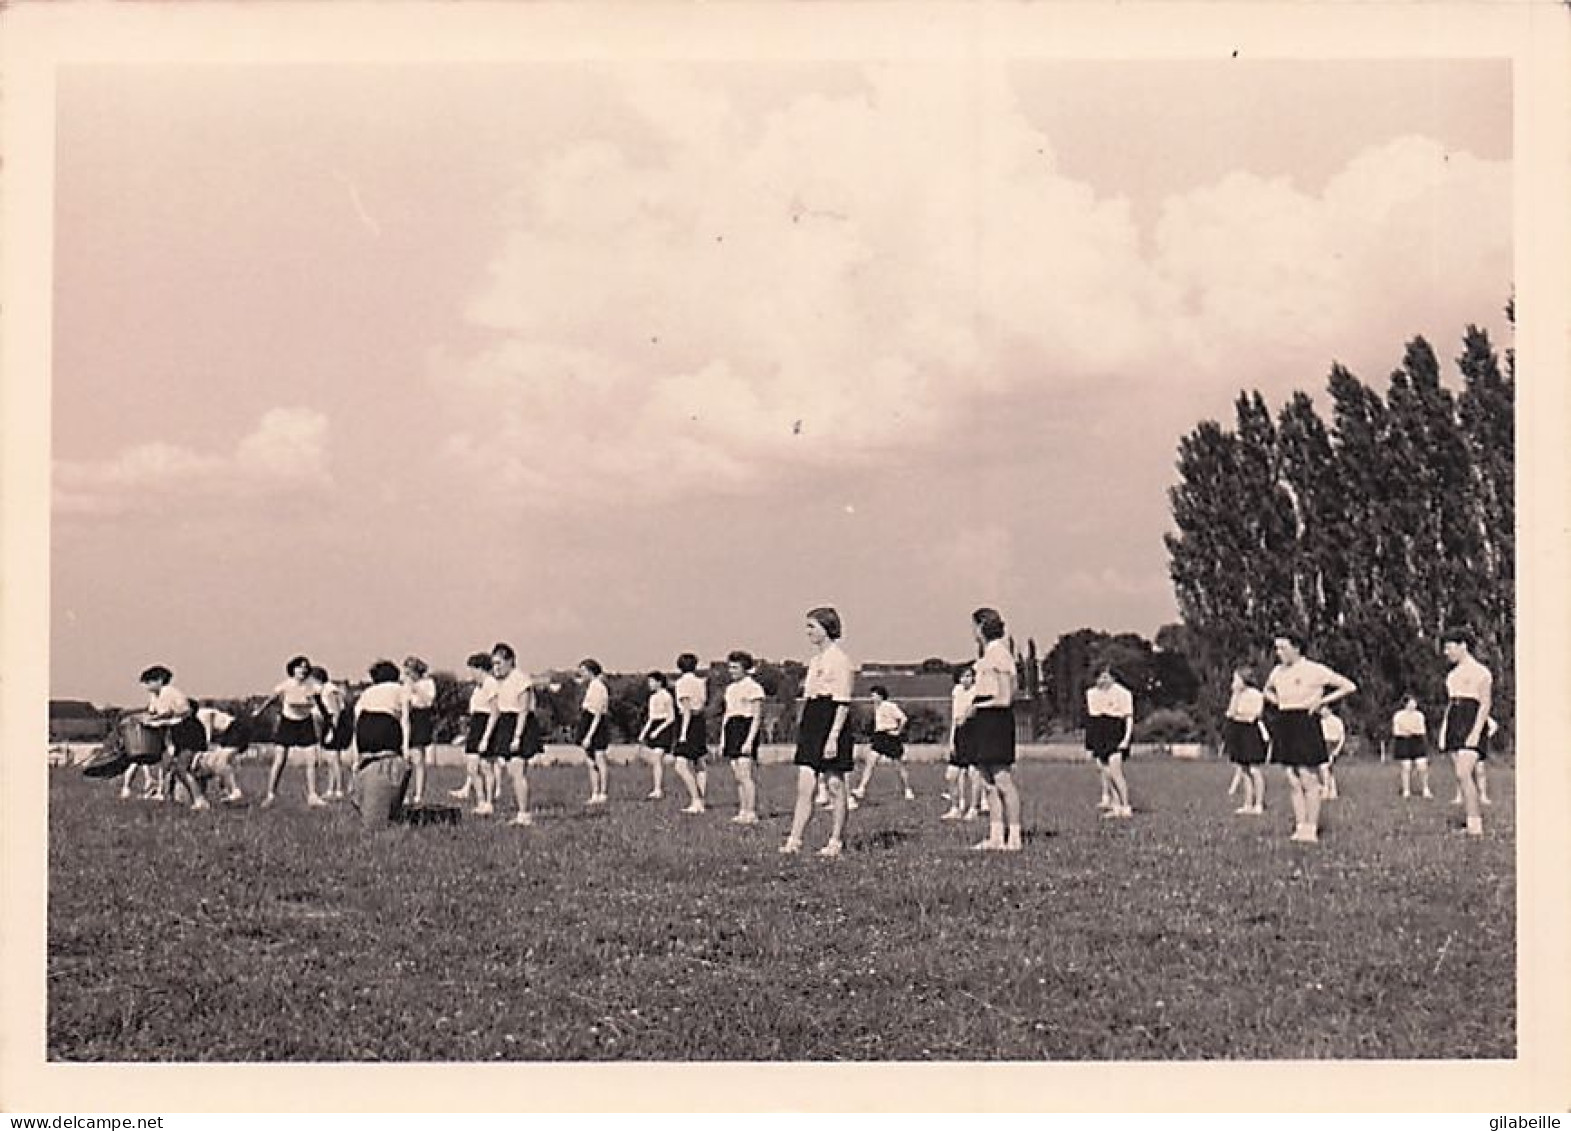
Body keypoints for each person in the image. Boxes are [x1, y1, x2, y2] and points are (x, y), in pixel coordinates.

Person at [1263, 633, 1357, 844]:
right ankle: (1300, 826)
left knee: (1308, 777)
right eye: (1277, 648)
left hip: (1306, 721)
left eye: (1283, 648)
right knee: (1292, 778)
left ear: (1296, 648)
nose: (1279, 653)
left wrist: (1321, 702)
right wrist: (1277, 702)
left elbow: (1348, 686)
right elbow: (1266, 691)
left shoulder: (1314, 669)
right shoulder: (1277, 672)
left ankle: (1311, 828)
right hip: (1285, 722)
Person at [781, 607, 856, 857]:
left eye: (812, 626)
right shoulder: (814, 662)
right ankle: (794, 840)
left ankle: (836, 840)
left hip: (832, 719)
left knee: (835, 784)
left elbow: (843, 702)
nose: (808, 632)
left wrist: (833, 736)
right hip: (813, 719)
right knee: (805, 785)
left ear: (827, 627)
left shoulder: (840, 660)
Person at [964, 608, 1023, 851]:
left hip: (995, 720)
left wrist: (976, 708)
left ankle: (1015, 836)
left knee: (1002, 779)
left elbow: (1005, 697)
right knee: (986, 780)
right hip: (984, 719)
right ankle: (996, 835)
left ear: (982, 627)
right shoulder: (987, 655)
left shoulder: (1000, 654)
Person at [1439, 628, 1493, 837]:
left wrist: (1476, 731)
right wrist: (1444, 730)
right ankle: (1471, 822)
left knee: (1464, 772)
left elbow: (1485, 704)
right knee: (1460, 776)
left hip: (1472, 720)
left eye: (1449, 647)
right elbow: (1450, 705)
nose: (1446, 652)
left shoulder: (1481, 672)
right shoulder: (1451, 676)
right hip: (1455, 720)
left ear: (1463, 646)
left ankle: (1475, 826)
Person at [258, 655, 326, 809]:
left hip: (305, 722)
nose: (302, 670)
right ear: (292, 670)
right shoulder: (285, 685)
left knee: (312, 760)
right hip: (287, 723)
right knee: (280, 759)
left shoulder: (313, 685)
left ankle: (313, 795)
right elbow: (271, 700)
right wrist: (259, 711)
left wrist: (326, 717)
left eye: (305, 667)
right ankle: (270, 795)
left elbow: (320, 703)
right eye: (299, 667)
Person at [138, 665, 209, 811]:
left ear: (160, 680)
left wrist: (154, 720)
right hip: (176, 731)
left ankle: (199, 800)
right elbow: (154, 713)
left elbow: (170, 713)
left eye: (149, 681)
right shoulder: (154, 696)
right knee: (174, 767)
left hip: (188, 731)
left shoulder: (168, 692)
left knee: (183, 767)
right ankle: (178, 797)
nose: (147, 686)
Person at [350, 660, 411, 829]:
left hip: (365, 727)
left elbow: (357, 717)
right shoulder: (400, 689)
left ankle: (364, 797)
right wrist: (405, 748)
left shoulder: (367, 692)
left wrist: (355, 757)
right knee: (393, 764)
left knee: (368, 765)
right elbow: (405, 719)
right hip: (386, 724)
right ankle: (391, 805)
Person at [484, 642, 540, 827]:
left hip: (520, 725)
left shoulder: (521, 680)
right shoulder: (502, 682)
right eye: (493, 664)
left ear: (510, 661)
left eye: (499, 663)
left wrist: (517, 736)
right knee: (512, 772)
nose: (495, 668)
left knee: (518, 771)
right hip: (507, 723)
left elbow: (523, 710)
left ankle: (524, 814)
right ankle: (521, 812)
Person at [721, 650, 766, 824]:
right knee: (737, 774)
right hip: (732, 728)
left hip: (745, 727)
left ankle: (751, 811)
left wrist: (749, 740)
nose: (731, 671)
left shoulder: (753, 688)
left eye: (735, 667)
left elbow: (756, 717)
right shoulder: (730, 689)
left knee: (745, 773)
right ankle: (743, 810)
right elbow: (728, 713)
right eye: (730, 667)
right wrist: (723, 738)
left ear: (745, 668)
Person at [1084, 666, 1134, 820]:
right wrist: (1089, 745)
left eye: (1105, 677)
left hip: (1115, 731)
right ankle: (1116, 805)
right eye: (1099, 677)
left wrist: (1126, 739)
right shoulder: (1091, 694)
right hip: (1099, 731)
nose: (1102, 681)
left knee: (1115, 771)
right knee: (1105, 771)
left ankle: (1126, 806)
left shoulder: (1123, 693)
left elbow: (1128, 718)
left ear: (1113, 678)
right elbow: (1091, 721)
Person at [852, 686, 914, 803]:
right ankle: (862, 788)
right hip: (879, 737)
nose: (872, 697)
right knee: (870, 763)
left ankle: (907, 789)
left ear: (880, 696)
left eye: (874, 695)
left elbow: (903, 718)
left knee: (898, 766)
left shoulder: (889, 706)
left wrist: (897, 731)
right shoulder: (877, 707)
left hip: (890, 737)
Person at [451, 652, 497, 809]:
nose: (471, 674)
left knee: (485, 766)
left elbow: (494, 711)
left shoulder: (491, 684)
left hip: (486, 723)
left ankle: (489, 802)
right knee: (472, 766)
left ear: (480, 669)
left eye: (472, 670)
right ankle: (481, 800)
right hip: (476, 723)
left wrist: (486, 737)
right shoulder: (479, 688)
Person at [1222, 667, 1268, 815]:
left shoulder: (1256, 695)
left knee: (1254, 769)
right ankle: (1248, 803)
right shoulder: (1236, 695)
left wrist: (1238, 714)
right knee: (1244, 770)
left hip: (1251, 732)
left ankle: (1258, 804)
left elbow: (1253, 715)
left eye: (1236, 679)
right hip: (1239, 731)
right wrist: (1235, 696)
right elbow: (1230, 713)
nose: (1233, 683)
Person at [672, 653, 710, 814]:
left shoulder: (681, 683)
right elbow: (701, 705)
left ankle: (696, 799)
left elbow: (686, 707)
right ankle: (701, 799)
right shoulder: (700, 682)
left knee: (680, 765)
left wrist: (683, 733)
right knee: (699, 762)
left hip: (687, 722)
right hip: (700, 720)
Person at [193, 699, 247, 804]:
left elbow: (207, 738)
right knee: (220, 762)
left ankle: (234, 790)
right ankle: (227, 791)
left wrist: (200, 755)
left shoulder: (202, 714)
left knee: (221, 762)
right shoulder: (202, 714)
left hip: (235, 729)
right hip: (230, 732)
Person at [941, 665, 977, 821]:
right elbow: (955, 719)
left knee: (973, 773)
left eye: (969, 676)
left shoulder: (976, 691)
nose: (966, 679)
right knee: (951, 775)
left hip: (974, 732)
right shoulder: (956, 691)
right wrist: (951, 741)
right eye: (963, 676)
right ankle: (955, 807)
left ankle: (973, 808)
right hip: (959, 733)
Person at [311, 666, 353, 802]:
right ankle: (331, 788)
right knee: (331, 759)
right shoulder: (326, 690)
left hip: (336, 725)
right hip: (332, 723)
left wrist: (331, 730)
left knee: (334, 760)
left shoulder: (329, 691)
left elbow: (336, 711)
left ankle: (339, 789)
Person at [403, 656, 438, 807]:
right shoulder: (405, 685)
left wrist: (415, 688)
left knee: (418, 758)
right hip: (408, 717)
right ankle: (404, 793)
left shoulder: (427, 683)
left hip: (421, 717)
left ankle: (418, 793)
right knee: (406, 759)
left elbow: (429, 700)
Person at [635, 671, 676, 800]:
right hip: (654, 726)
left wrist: (658, 731)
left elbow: (671, 717)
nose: (650, 684)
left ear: (659, 682)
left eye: (652, 681)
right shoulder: (652, 698)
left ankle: (658, 789)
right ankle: (657, 788)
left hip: (664, 727)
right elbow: (651, 717)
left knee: (657, 756)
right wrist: (644, 732)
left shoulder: (667, 696)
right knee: (655, 759)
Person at [576, 658, 612, 805]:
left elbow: (597, 713)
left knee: (599, 759)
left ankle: (603, 792)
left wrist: (589, 735)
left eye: (583, 671)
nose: (581, 674)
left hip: (596, 725)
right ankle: (594, 792)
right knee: (591, 761)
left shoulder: (598, 687)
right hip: (588, 722)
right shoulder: (592, 686)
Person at [1390, 693, 1432, 800]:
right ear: (1406, 704)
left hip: (1417, 741)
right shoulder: (1398, 715)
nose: (1414, 704)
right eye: (1411, 702)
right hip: (1403, 742)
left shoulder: (1419, 715)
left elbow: (1421, 730)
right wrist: (1409, 730)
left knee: (1422, 766)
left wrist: (1408, 730)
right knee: (1406, 766)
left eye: (1414, 702)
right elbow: (1397, 731)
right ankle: (1406, 790)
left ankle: (1425, 789)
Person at [1318, 705, 1347, 800]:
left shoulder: (1337, 721)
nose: (1321, 712)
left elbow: (1342, 736)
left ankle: (1327, 789)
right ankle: (1332, 791)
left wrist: (1337, 750)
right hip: (1324, 745)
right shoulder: (1321, 722)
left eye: (1322, 709)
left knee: (1326, 768)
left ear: (1328, 709)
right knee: (1326, 769)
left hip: (1333, 745)